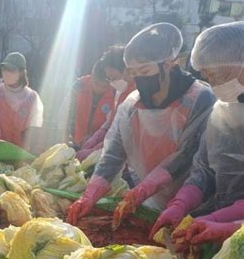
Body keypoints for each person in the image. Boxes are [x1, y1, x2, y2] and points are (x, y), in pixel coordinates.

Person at [67, 23, 216, 225]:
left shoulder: (199, 99)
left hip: (194, 203)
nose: (140, 80)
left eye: (145, 71)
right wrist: (90, 195)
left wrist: (143, 190)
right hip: (151, 201)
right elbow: (113, 154)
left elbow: (187, 155)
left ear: (170, 63)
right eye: (134, 73)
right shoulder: (131, 105)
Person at [151, 21, 244, 245]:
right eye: (208, 77)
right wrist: (180, 204)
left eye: (219, 75)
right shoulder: (223, 112)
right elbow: (204, 170)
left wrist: (225, 224)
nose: (214, 84)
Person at [77, 45, 137, 160]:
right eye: (109, 79)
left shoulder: (137, 95)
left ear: (127, 70)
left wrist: (97, 149)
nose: (112, 83)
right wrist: (97, 136)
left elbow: (123, 134)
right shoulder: (120, 92)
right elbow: (112, 122)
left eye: (113, 77)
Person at [0, 52, 44, 147]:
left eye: (11, 70)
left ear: (21, 73)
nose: (6, 73)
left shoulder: (33, 97)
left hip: (24, 153)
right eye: (4, 69)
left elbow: (35, 126)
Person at [61, 59, 111, 154]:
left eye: (105, 86)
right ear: (92, 76)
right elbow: (67, 110)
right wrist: (66, 134)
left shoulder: (115, 91)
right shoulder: (79, 84)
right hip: (75, 140)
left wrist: (95, 137)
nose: (99, 89)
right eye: (96, 83)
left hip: (99, 145)